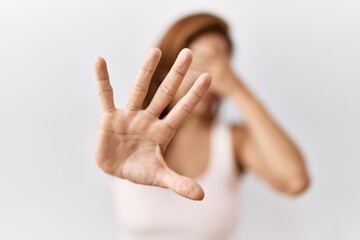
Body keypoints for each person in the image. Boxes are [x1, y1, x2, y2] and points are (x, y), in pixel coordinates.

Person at [93, 13, 310, 240]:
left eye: (223, 66)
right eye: (203, 62)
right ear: (165, 71)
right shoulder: (126, 138)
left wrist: (238, 89)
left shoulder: (232, 140)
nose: (213, 78)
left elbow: (295, 181)